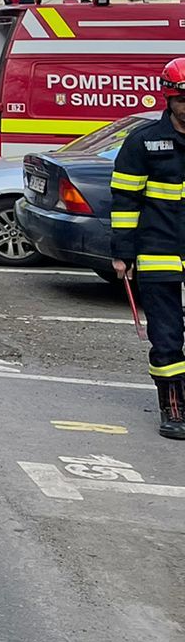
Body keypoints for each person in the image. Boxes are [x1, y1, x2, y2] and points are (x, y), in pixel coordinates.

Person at [109, 57, 185, 439]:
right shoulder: (143, 143)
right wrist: (122, 254)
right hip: (159, 250)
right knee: (167, 336)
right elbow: (124, 202)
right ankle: (173, 409)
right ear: (169, 98)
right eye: (183, 98)